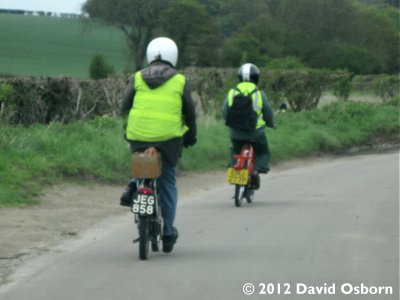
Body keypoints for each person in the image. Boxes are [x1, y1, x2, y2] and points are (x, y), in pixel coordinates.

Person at [120, 37, 197, 253]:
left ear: (149, 55)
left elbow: (124, 105)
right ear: (174, 56)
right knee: (167, 183)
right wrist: (190, 136)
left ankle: (134, 184)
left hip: (138, 136)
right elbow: (190, 114)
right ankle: (168, 231)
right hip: (169, 139)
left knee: (141, 161)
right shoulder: (180, 80)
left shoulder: (137, 77)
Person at [222, 63, 275, 189]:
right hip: (255, 132)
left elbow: (224, 112)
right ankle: (256, 171)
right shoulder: (259, 93)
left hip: (235, 132)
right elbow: (268, 113)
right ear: (257, 77)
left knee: (235, 149)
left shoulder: (232, 92)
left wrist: (231, 125)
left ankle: (233, 166)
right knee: (263, 152)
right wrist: (271, 123)